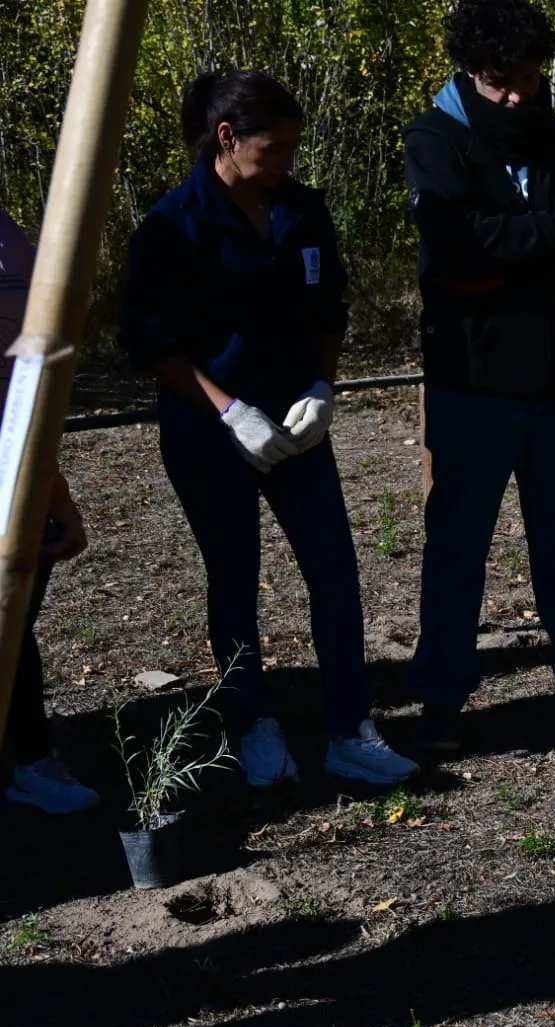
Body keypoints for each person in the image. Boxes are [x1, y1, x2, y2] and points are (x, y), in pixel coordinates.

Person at [120, 71, 417, 787]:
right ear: (227, 139)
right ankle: (254, 723)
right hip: (209, 431)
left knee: (335, 573)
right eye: (273, 147)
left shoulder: (302, 211)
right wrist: (228, 410)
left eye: (292, 147)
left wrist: (322, 386)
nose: (286, 160)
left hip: (296, 427)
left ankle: (349, 728)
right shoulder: (171, 226)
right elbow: (151, 344)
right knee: (234, 578)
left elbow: (327, 309)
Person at [403, 0, 555, 749]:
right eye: (500, 80)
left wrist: (522, 255)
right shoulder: (435, 140)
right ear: (471, 69)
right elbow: (455, 250)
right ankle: (440, 699)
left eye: (529, 79)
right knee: (458, 544)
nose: (515, 95)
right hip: (473, 381)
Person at [0, 206, 99, 813]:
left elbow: (27, 381)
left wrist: (53, 491)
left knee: (13, 622)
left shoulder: (13, 239)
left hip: (19, 475)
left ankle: (29, 759)